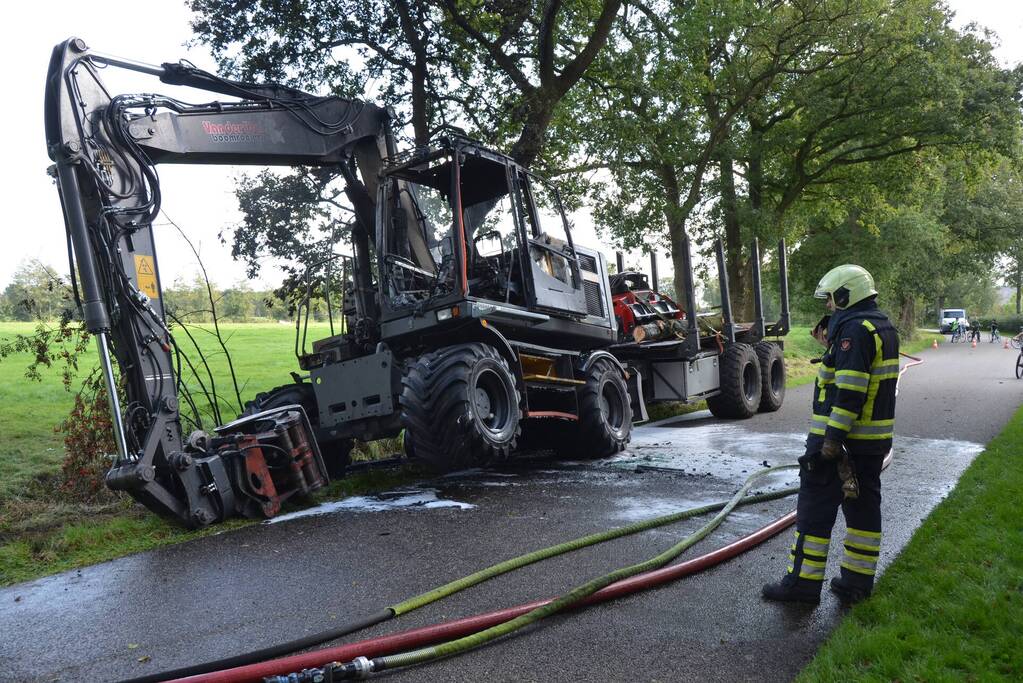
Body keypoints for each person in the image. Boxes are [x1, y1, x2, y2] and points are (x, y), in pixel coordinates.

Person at [762, 264, 899, 605]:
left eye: (831, 300)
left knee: (814, 511)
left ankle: (802, 587)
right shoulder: (882, 326)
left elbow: (850, 391)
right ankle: (856, 582)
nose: (828, 307)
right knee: (863, 510)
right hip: (870, 444)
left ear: (844, 295)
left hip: (840, 444)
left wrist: (831, 441)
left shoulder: (855, 330)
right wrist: (833, 343)